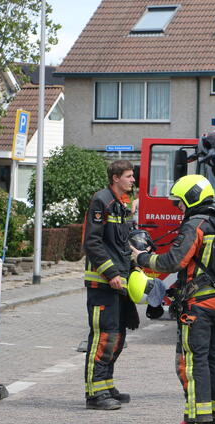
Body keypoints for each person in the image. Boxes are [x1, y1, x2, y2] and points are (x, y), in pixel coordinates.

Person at [131, 174, 215, 424]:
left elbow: (173, 261)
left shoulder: (195, 225)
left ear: (191, 197)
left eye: (180, 202)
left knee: (190, 362)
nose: (179, 208)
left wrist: (141, 257)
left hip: (197, 306)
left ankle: (196, 422)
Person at [83, 160, 138, 410]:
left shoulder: (120, 204)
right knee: (103, 336)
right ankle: (95, 393)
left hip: (119, 283)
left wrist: (136, 254)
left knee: (117, 336)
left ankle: (106, 385)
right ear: (115, 178)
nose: (133, 180)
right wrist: (111, 273)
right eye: (128, 176)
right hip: (103, 284)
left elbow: (119, 242)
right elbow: (92, 242)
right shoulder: (101, 201)